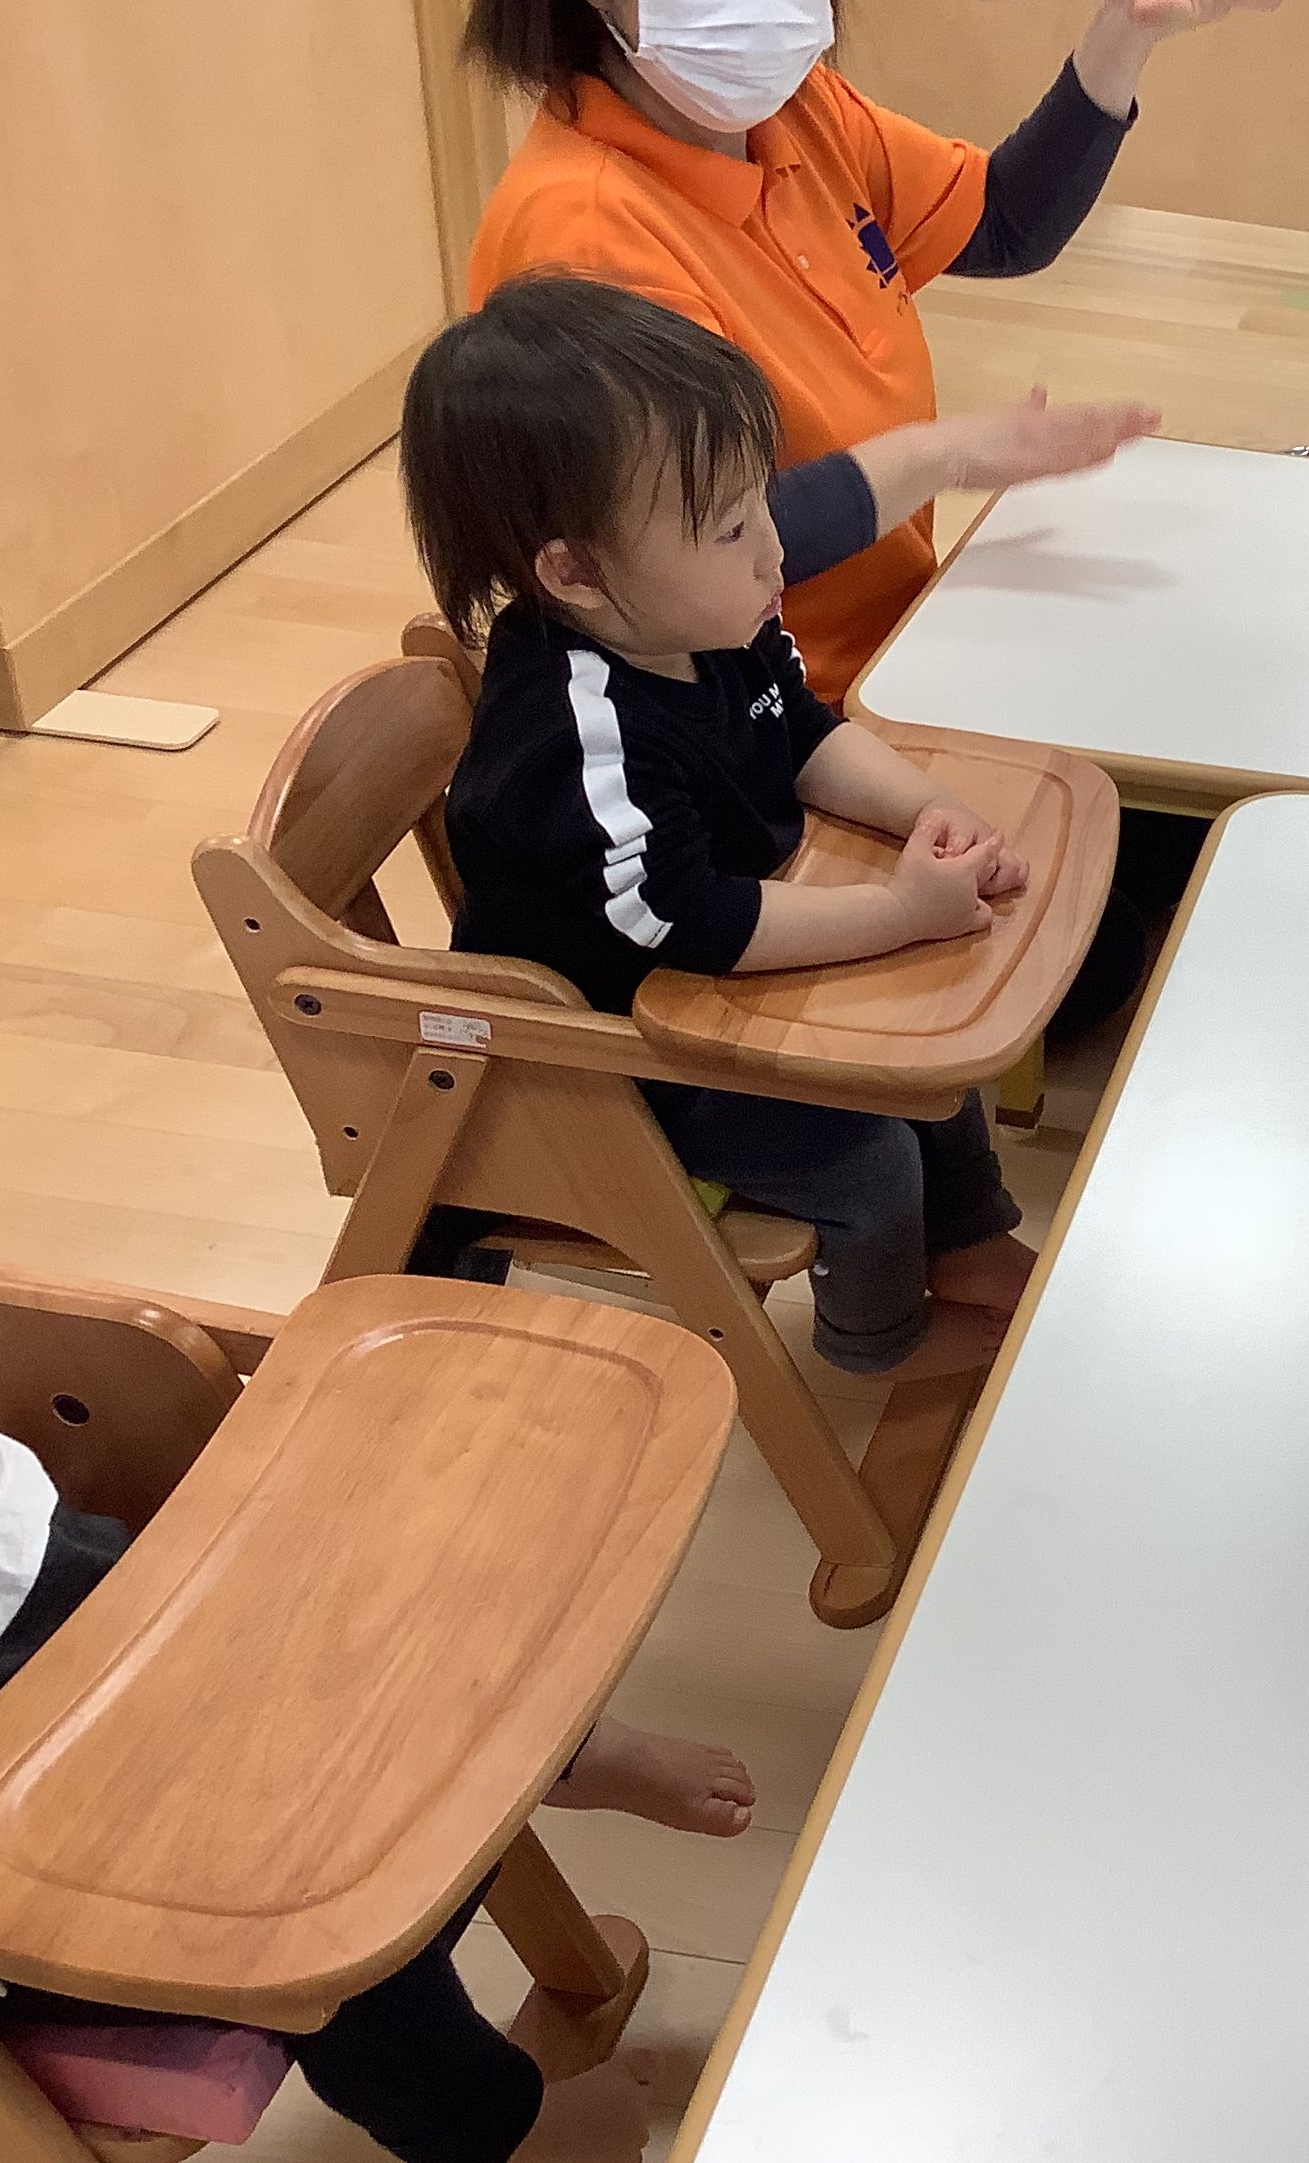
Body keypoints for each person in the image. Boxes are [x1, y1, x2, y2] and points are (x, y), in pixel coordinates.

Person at [462, 0, 1289, 702]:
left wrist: (1127, 30)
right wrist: (951, 452)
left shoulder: (799, 113)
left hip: (907, 635)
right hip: (759, 716)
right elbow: (690, 546)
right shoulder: (581, 231)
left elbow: (1004, 223)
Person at [0, 1322, 752, 2163]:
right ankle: (483, 2144)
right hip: (4, 1801)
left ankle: (572, 1749)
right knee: (305, 1912)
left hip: (55, 1572)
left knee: (374, 1626)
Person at [407, 277, 1037, 1382]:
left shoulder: (710, 617)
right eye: (731, 526)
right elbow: (691, 920)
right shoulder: (580, 735)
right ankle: (877, 1340)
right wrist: (899, 910)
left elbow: (801, 731)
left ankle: (971, 1242)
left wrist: (925, 808)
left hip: (722, 992)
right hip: (619, 1060)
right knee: (867, 1154)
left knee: (928, 1074)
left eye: (764, 503)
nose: (774, 553)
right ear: (575, 572)